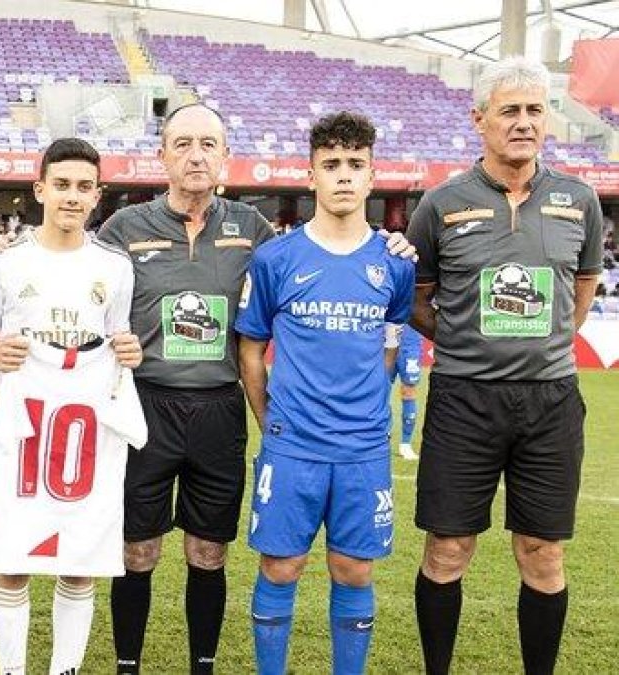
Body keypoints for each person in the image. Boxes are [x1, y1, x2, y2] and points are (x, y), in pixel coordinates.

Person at [0, 103, 414, 673]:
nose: (196, 154)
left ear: (225, 156)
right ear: (161, 155)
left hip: (218, 407)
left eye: (209, 143)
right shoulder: (122, 229)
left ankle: (201, 665)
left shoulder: (256, 233)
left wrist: (394, 244)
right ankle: (127, 665)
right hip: (146, 404)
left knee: (209, 551)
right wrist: (0, 250)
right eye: (182, 143)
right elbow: (69, 263)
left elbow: (322, 262)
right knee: (137, 550)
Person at [406, 56, 604, 675]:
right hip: (464, 400)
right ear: (480, 119)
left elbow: (581, 293)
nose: (524, 122)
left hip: (550, 403)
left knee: (543, 553)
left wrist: (539, 341)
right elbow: (417, 298)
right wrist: (468, 337)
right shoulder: (440, 204)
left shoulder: (580, 200)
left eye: (535, 110)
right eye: (510, 110)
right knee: (447, 549)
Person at [235, 111, 415, 675]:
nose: (343, 176)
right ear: (310, 173)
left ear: (371, 175)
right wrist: (274, 424)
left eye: (355, 165)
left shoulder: (394, 263)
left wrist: (366, 406)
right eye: (331, 165)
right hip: (292, 447)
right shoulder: (275, 259)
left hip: (362, 450)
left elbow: (389, 345)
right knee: (281, 566)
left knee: (354, 569)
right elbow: (250, 353)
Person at [0, 138, 144, 674]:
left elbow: (121, 341)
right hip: (23, 433)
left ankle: (65, 668)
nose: (73, 196)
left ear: (98, 196)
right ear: (39, 188)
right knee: (13, 561)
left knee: (81, 561)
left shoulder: (114, 267)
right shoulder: (5, 265)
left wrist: (130, 350)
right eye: (62, 184)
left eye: (84, 187)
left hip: (86, 435)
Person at [385, 322, 423, 460]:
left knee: (409, 391)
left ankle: (405, 444)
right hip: (386, 343)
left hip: (410, 345)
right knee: (381, 392)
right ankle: (383, 439)